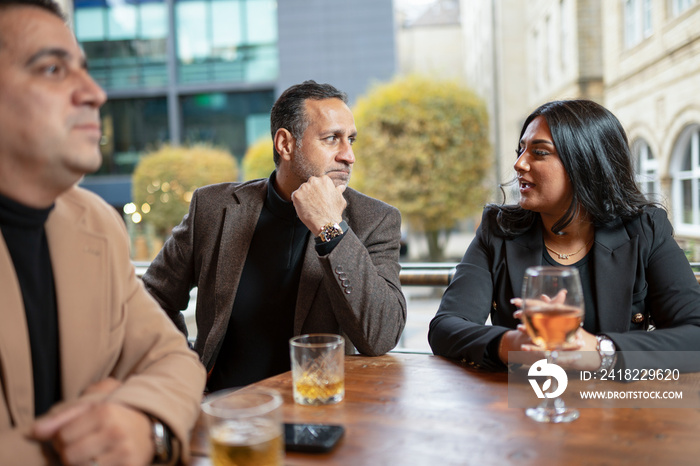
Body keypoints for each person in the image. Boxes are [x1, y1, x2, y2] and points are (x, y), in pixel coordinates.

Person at [0, 0, 207, 464]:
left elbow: (175, 361)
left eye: (85, 69)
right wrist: (80, 444)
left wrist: (141, 419)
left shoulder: (96, 223)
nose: (95, 92)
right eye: (53, 69)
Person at [143, 80, 407, 390]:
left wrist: (330, 229)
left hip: (316, 408)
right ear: (285, 144)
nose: (348, 155)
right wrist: (183, 366)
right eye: (332, 139)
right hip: (222, 409)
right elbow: (152, 297)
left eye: (351, 140)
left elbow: (382, 335)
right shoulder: (213, 208)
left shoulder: (374, 220)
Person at [429, 99, 700, 372]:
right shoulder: (497, 229)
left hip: (619, 404)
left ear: (585, 163)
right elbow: (445, 326)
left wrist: (599, 350)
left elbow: (695, 334)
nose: (519, 164)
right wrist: (512, 344)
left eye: (539, 152)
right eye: (520, 150)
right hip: (523, 403)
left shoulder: (645, 229)